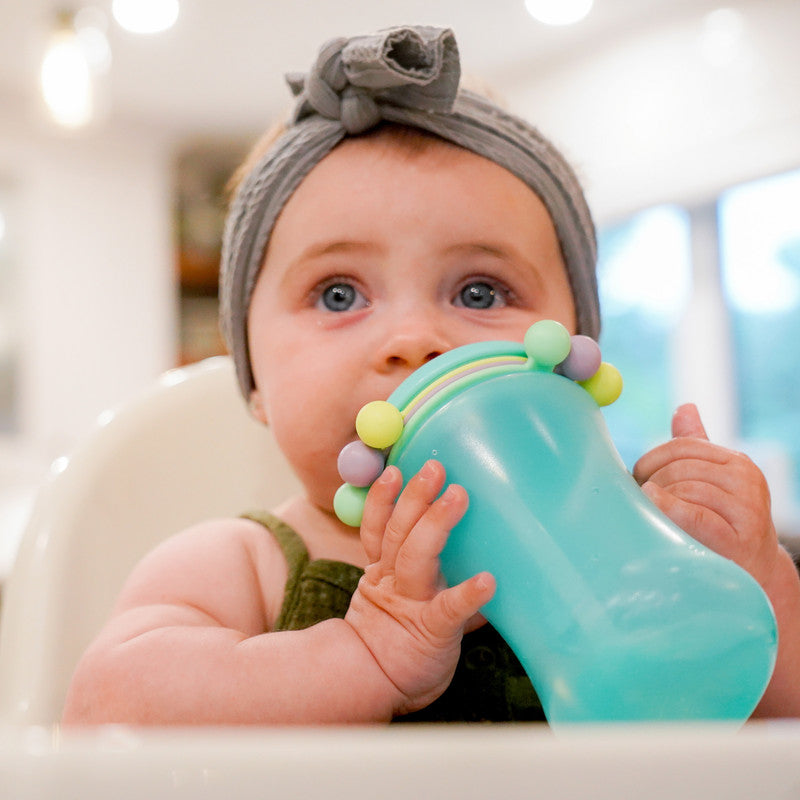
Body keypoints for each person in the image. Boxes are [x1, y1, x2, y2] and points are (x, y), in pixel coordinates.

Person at [62, 25, 800, 725]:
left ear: (575, 352)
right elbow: (105, 711)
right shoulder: (242, 567)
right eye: (339, 294)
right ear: (255, 381)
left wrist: (756, 583)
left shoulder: (631, 542)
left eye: (479, 292)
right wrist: (359, 659)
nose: (415, 340)